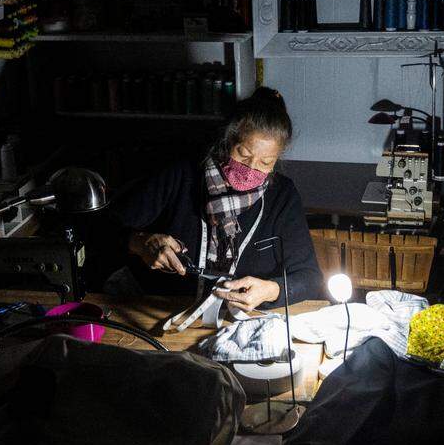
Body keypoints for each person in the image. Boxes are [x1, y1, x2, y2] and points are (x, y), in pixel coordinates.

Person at [109, 87, 322, 313]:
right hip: (161, 311)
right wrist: (140, 242)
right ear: (227, 141)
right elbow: (104, 230)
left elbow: (309, 279)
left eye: (265, 162)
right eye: (243, 154)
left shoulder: (282, 195)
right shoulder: (181, 176)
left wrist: (270, 290)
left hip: (243, 321)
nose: (251, 169)